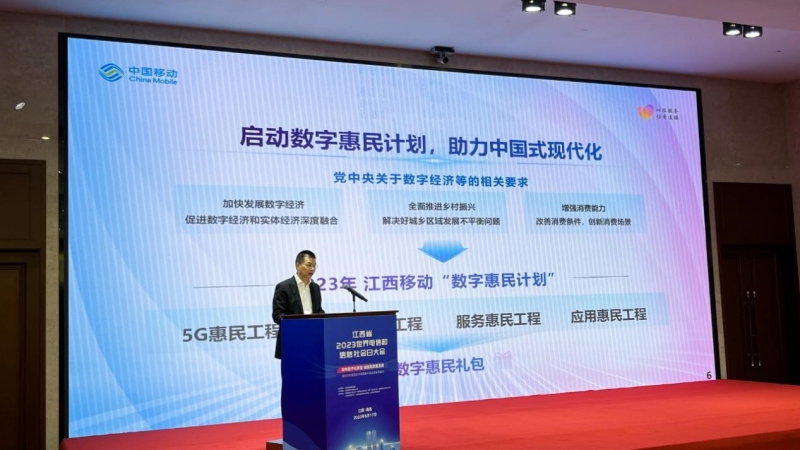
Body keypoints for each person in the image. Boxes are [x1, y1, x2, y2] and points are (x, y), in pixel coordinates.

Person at [272, 250, 324, 359]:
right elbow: (277, 315)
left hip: (313, 339)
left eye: (314, 266)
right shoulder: (283, 287)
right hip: (292, 340)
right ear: (298, 265)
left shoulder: (315, 287)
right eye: (309, 265)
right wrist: (300, 325)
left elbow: (318, 310)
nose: (312, 269)